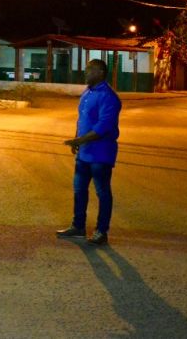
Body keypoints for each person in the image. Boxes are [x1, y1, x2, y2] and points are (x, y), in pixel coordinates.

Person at [57, 58, 122, 245]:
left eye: (90, 69)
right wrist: (76, 139)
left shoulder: (109, 97)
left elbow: (102, 127)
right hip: (84, 154)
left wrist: (79, 140)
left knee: (102, 192)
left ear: (100, 73)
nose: (86, 72)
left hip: (101, 154)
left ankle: (101, 231)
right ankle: (78, 227)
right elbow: (82, 120)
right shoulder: (87, 92)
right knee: (79, 190)